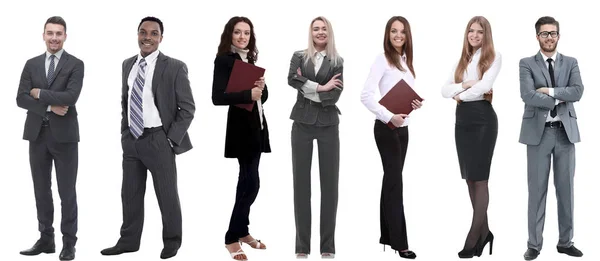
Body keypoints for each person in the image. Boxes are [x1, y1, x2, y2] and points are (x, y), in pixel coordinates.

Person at [100, 16, 195, 260]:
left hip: (158, 139)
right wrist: (124, 132)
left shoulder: (174, 66)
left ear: (161, 38)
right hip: (132, 139)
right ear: (138, 35)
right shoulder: (127, 64)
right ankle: (129, 241)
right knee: (129, 193)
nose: (147, 37)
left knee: (166, 194)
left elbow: (188, 108)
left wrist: (170, 138)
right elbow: (126, 99)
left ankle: (172, 241)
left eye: (154, 33)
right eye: (143, 32)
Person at [16, 15, 84, 261]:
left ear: (65, 36)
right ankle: (46, 239)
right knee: (41, 190)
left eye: (58, 33)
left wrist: (39, 93)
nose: (54, 37)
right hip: (37, 135)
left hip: (65, 138)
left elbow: (70, 97)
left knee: (67, 192)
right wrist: (48, 107)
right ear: (43, 35)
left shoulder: (76, 64)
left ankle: (69, 243)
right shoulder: (31, 64)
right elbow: (21, 98)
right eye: (50, 33)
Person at [519, 16, 584, 261]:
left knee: (566, 190)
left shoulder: (571, 62)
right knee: (536, 191)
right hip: (539, 134)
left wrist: (549, 91)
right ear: (537, 36)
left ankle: (565, 242)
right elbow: (527, 95)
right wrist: (561, 97)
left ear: (559, 35)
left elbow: (578, 91)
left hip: (565, 132)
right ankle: (534, 245)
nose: (549, 37)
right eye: (545, 33)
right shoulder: (526, 63)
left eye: (553, 33)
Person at [360, 16, 421, 259]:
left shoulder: (407, 61)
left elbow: (401, 94)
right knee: (396, 183)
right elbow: (365, 96)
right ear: (388, 34)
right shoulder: (382, 59)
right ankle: (400, 243)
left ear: (407, 36)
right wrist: (389, 116)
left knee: (391, 181)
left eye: (402, 32)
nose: (398, 36)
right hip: (386, 129)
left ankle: (387, 236)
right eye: (394, 31)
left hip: (403, 129)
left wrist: (414, 105)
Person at [441, 16, 501, 258]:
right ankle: (485, 232)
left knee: (481, 179)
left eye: (479, 32)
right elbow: (444, 90)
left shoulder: (494, 57)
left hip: (483, 120)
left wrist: (460, 93)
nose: (474, 35)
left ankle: (473, 236)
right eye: (471, 31)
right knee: (469, 179)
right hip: (462, 121)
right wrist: (464, 85)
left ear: (486, 35)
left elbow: (484, 87)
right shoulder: (462, 60)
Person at [212, 16, 271, 261]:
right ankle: (231, 237)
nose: (242, 37)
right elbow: (217, 97)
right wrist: (250, 92)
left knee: (246, 182)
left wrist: (262, 87)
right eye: (238, 32)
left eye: (246, 33)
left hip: (257, 127)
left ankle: (242, 231)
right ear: (230, 34)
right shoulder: (225, 60)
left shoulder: (250, 58)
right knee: (251, 183)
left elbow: (262, 98)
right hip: (241, 130)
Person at [287, 16, 343, 259]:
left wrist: (306, 86)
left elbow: (336, 94)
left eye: (324, 29)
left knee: (329, 186)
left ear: (329, 33)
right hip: (302, 124)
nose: (320, 32)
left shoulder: (337, 60)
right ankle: (302, 247)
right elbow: (291, 79)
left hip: (329, 124)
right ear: (310, 33)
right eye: (316, 29)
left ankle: (327, 247)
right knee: (301, 185)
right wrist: (321, 87)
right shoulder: (299, 56)